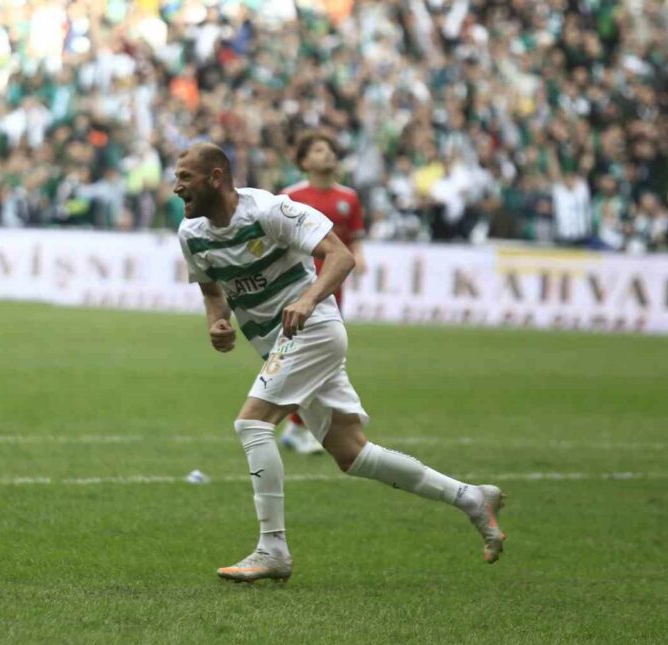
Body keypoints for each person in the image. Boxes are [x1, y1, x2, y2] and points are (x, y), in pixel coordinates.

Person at [174, 143, 507, 583]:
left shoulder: (270, 211)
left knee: (252, 424)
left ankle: (273, 549)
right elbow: (212, 291)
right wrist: (217, 323)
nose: (176, 187)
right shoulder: (191, 234)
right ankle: (470, 497)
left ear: (216, 177)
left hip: (313, 331)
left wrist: (308, 299)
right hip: (279, 344)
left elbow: (341, 256)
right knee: (353, 453)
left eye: (185, 177)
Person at [278, 131, 366, 455]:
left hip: (331, 286)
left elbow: (353, 239)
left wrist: (360, 255)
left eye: (329, 149)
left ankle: (297, 427)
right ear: (304, 161)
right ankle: (299, 426)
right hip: (297, 286)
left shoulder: (349, 198)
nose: (327, 154)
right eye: (318, 150)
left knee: (322, 356)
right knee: (304, 355)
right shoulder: (290, 196)